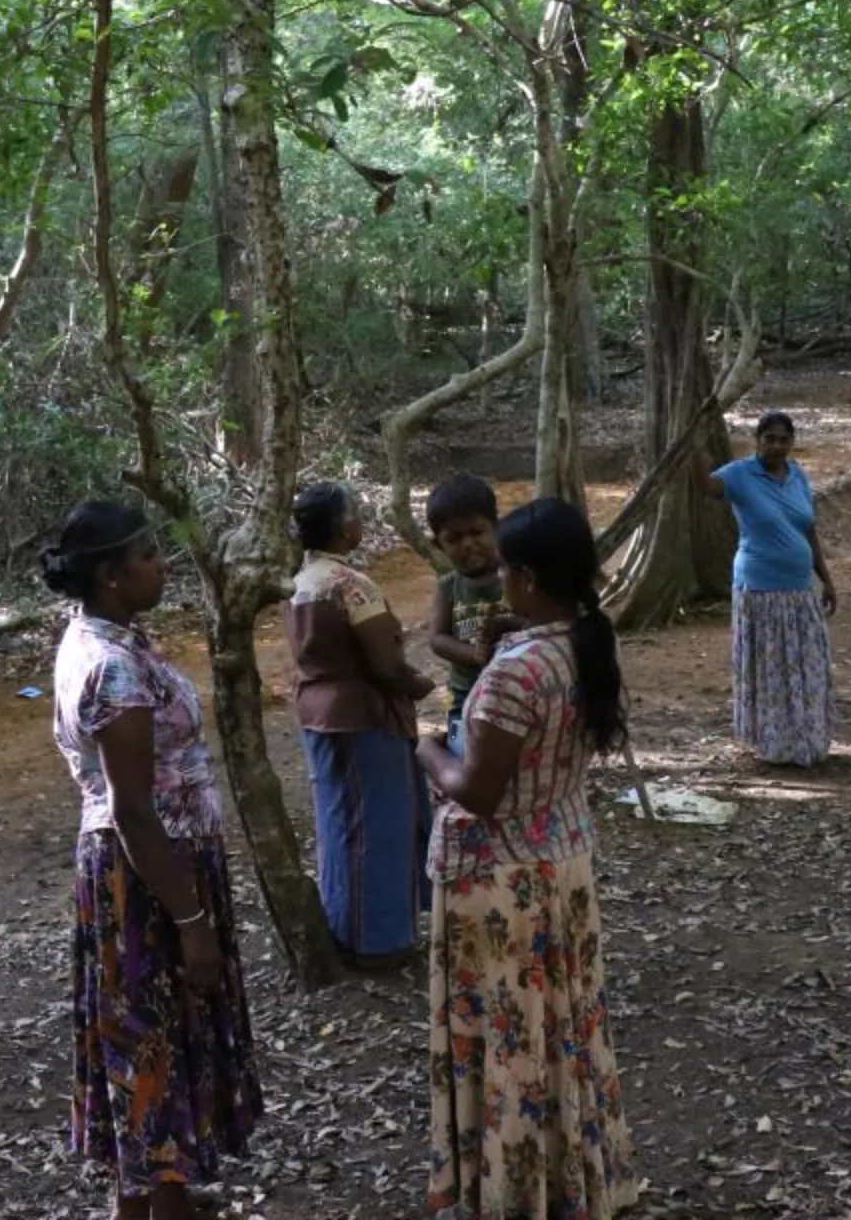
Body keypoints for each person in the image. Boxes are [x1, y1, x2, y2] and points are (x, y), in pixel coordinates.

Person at [415, 497, 637, 1220]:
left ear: (530, 576)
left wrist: (423, 747)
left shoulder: (520, 673)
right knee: (560, 1032)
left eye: (507, 567)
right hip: (561, 863)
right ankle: (571, 1183)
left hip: (502, 883)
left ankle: (511, 1192)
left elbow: (476, 791)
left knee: (509, 1035)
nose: (497, 577)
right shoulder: (583, 641)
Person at [45, 502, 263, 1219]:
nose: (161, 565)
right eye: (147, 556)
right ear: (110, 576)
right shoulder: (112, 669)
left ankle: (154, 1198)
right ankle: (153, 1205)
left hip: (153, 866)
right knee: (150, 1038)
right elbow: (134, 808)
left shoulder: (102, 637)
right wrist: (191, 919)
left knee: (151, 1037)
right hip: (147, 875)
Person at [288, 481, 438, 968]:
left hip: (321, 715)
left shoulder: (301, 581)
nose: (359, 522)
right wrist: (421, 686)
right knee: (378, 826)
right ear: (341, 526)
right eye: (353, 514)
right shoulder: (349, 584)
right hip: (363, 718)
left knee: (339, 822)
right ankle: (379, 941)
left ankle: (346, 926)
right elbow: (385, 666)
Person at [700, 409, 838, 767]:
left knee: (805, 665)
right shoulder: (741, 475)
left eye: (783, 439)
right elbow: (704, 485)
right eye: (769, 438)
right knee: (773, 667)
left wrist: (826, 577)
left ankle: (807, 736)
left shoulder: (798, 477)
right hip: (761, 590)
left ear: (791, 442)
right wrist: (690, 448)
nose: (776, 446)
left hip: (799, 589)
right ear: (757, 440)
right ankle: (775, 744)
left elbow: (808, 530)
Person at [423, 474, 518, 757]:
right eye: (454, 538)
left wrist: (509, 628)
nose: (467, 544)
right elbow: (438, 638)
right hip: (467, 696)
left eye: (476, 533)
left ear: (496, 529)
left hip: (517, 690)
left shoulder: (513, 576)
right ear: (438, 544)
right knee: (465, 755)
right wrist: (472, 654)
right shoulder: (448, 587)